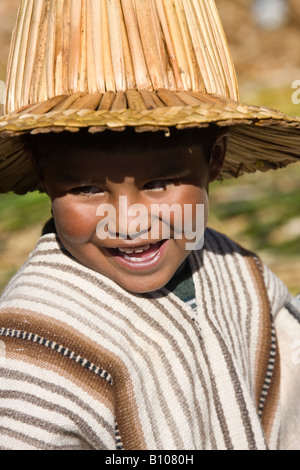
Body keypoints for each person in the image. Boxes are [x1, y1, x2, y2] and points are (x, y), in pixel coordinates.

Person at [0, 0, 300, 451]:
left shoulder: (238, 271)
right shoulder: (34, 335)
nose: (129, 220)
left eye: (159, 183)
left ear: (213, 159)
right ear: (43, 176)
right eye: (86, 189)